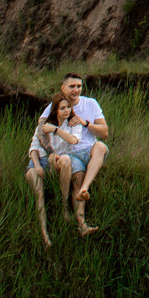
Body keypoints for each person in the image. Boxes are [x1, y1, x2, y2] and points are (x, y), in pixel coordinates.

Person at [22, 71, 110, 240]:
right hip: (69, 153)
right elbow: (40, 130)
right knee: (77, 179)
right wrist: (49, 153)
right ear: (63, 88)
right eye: (72, 86)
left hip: (87, 149)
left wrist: (85, 123)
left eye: (79, 86)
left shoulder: (90, 104)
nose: (76, 90)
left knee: (100, 146)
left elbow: (104, 132)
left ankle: (85, 190)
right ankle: (80, 223)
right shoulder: (56, 105)